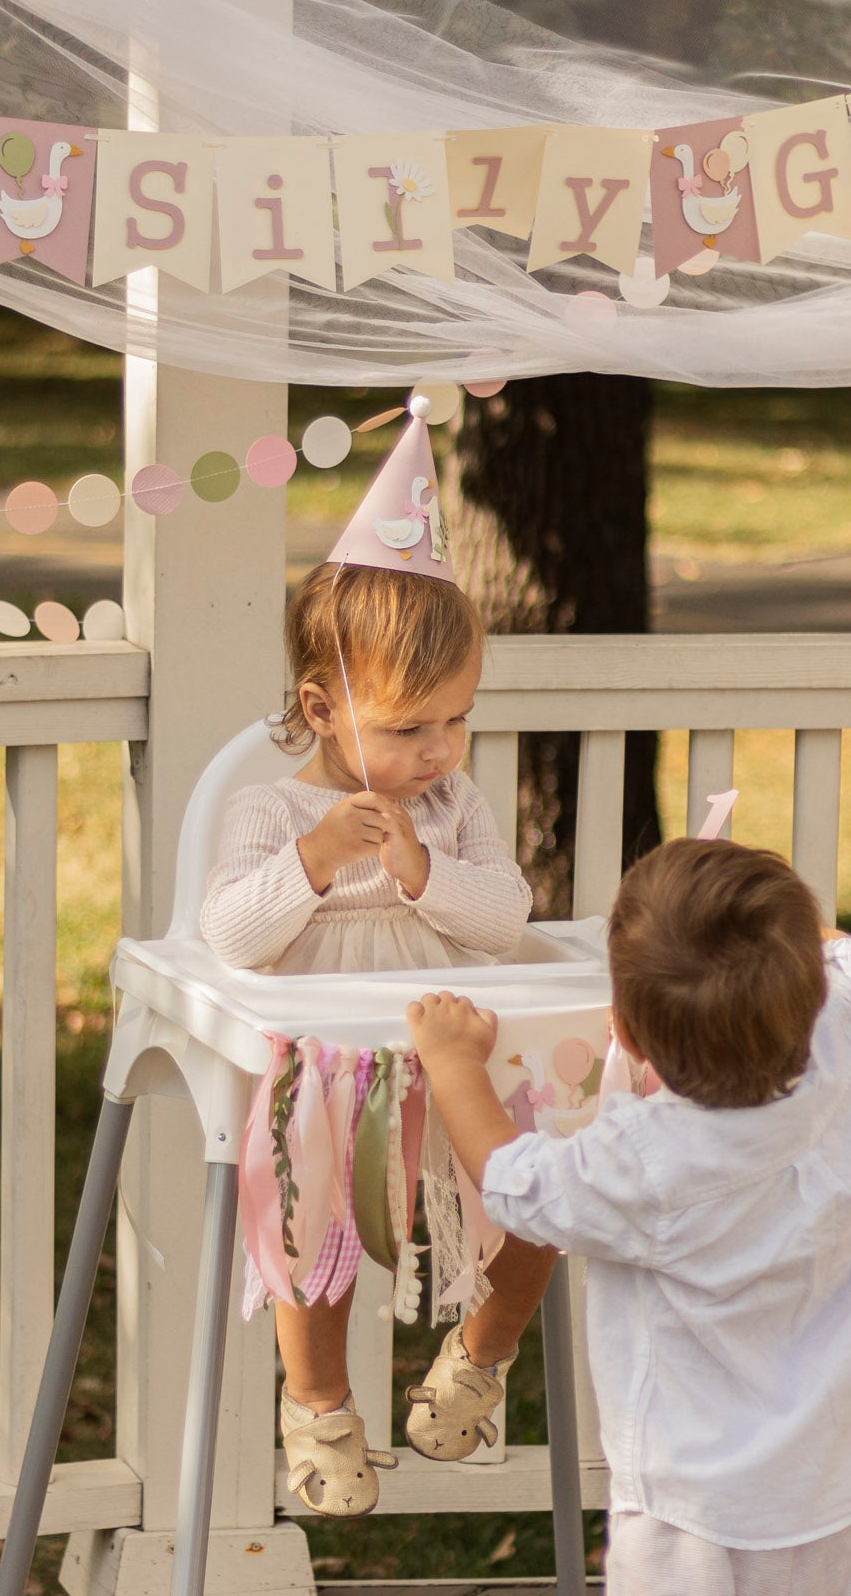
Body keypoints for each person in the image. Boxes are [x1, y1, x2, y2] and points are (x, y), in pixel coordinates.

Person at [408, 836, 851, 1595]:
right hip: (826, 1492)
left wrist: (454, 1066)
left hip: (688, 1512)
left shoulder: (649, 1160)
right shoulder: (845, 1031)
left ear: (627, 1036)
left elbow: (513, 1183)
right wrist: (783, 939)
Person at [202, 550, 551, 1519]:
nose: (439, 747)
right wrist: (312, 861)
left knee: (543, 1187)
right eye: (409, 725)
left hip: (451, 1070)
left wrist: (422, 868)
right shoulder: (268, 811)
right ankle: (316, 1403)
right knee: (317, 1228)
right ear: (320, 709)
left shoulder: (451, 808)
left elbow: (504, 915)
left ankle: (477, 1360)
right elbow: (229, 931)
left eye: (456, 716)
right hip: (332, 1080)